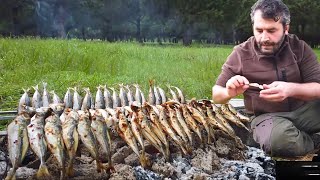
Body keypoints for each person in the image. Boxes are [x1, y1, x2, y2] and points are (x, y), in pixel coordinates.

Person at [212, 0, 320, 157]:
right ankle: (314, 141)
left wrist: (291, 89)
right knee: (279, 142)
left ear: (286, 29)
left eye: (271, 30)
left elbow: (317, 87)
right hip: (266, 117)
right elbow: (216, 95)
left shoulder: (300, 48)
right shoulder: (241, 53)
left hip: (305, 110)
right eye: (259, 30)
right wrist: (229, 91)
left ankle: (298, 133)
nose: (264, 37)